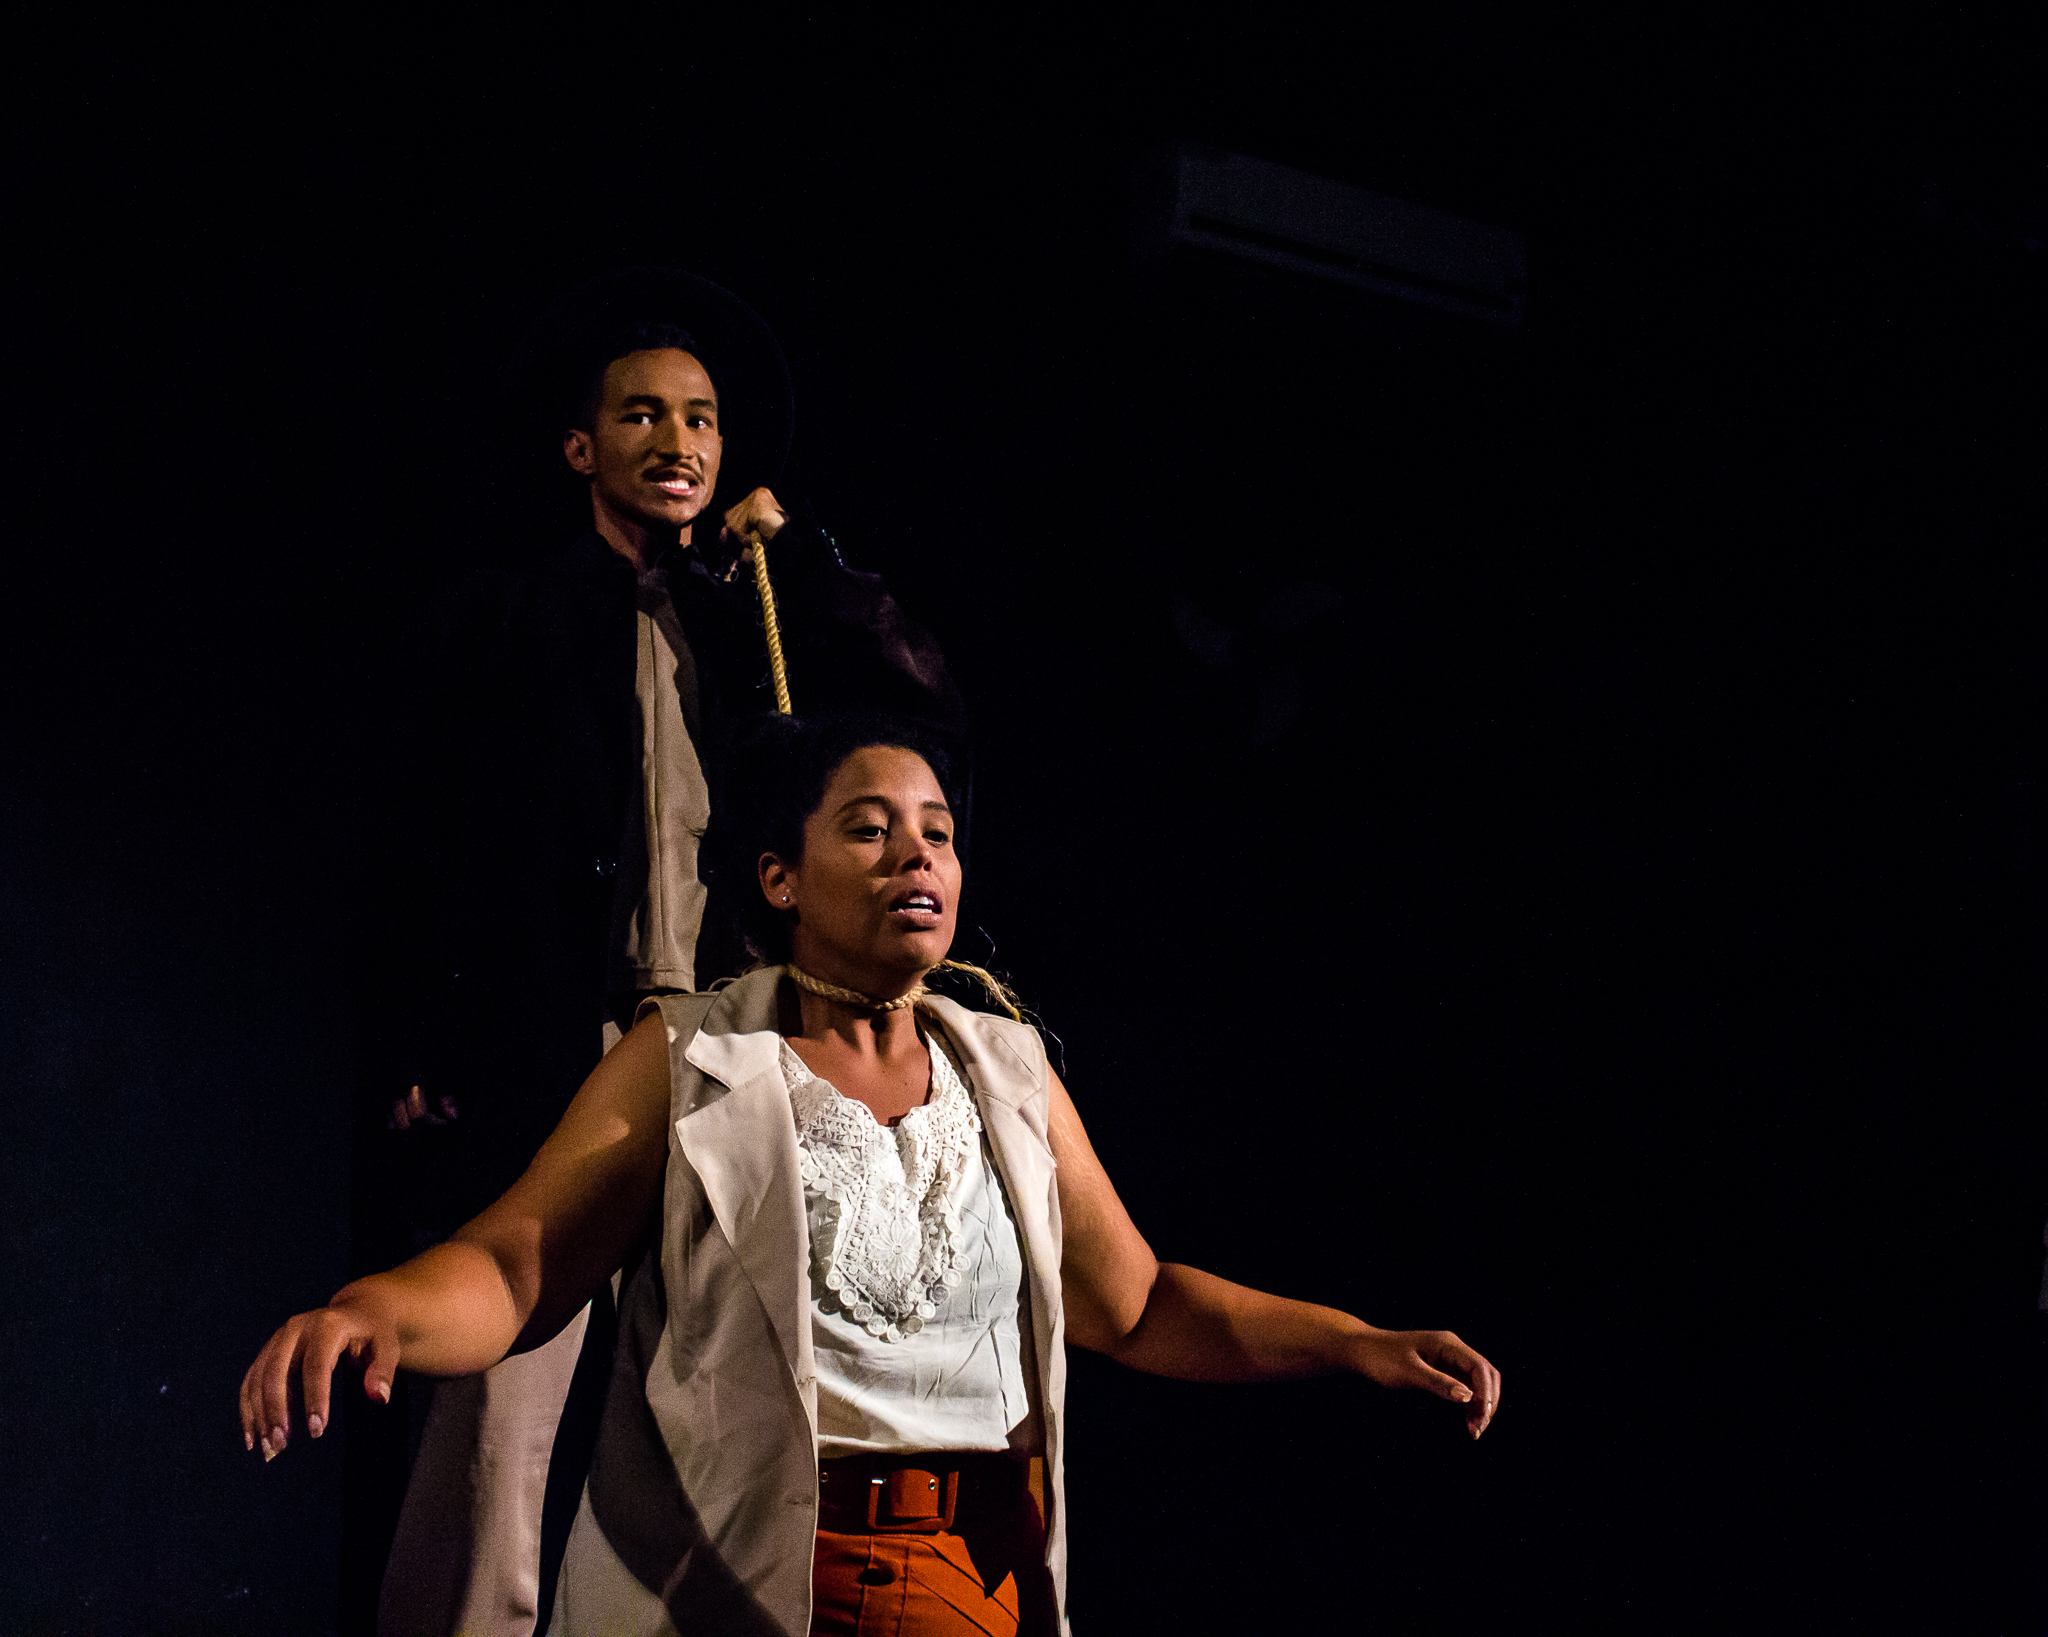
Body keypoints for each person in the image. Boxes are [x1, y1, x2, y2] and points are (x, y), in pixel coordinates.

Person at [262, 714, 1503, 1636]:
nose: (916, 852)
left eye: (938, 833)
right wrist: (378, 1311)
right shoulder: (693, 1055)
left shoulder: (1007, 1069)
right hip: (747, 1583)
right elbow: (518, 1263)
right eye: (869, 827)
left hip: (976, 1580)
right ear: (779, 877)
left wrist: (1351, 1341)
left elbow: (1135, 1304)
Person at [351, 272, 966, 1634]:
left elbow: (916, 703)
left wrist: (802, 561)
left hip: (729, 1044)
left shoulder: (752, 623)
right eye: (641, 415)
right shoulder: (508, 612)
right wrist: (418, 1037)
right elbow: (418, 832)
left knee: (728, 1401)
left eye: (699, 419)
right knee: (501, 1412)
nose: (676, 441)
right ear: (582, 446)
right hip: (555, 1043)